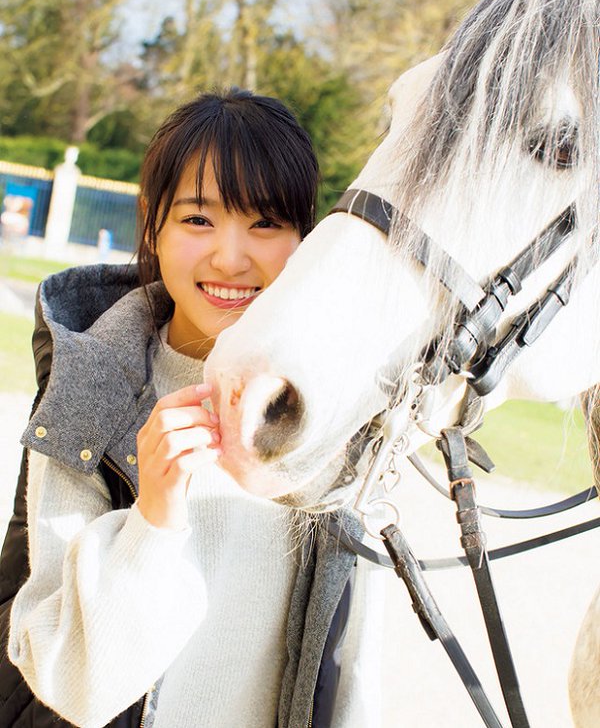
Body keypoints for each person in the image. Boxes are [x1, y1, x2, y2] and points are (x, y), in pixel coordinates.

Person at [2, 88, 382, 728]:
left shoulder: (336, 411)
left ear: (304, 237)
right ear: (152, 225)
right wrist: (153, 519)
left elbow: (353, 668)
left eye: (266, 222)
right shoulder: (89, 387)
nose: (230, 258)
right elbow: (73, 689)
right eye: (198, 220)